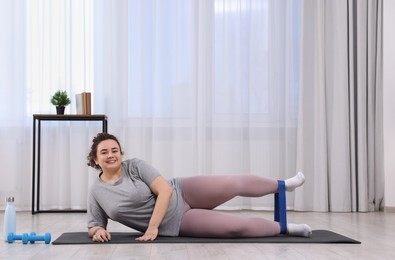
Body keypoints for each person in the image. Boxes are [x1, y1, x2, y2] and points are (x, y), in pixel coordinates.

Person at [86, 132, 312, 242]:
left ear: (120, 153)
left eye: (114, 150)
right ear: (95, 159)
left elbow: (165, 190)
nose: (111, 155)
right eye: (104, 152)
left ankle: (283, 185)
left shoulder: (134, 166)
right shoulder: (98, 192)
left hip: (183, 190)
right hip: (176, 222)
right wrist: (98, 232)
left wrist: (151, 228)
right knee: (235, 228)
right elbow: (94, 225)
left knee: (232, 183)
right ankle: (286, 228)